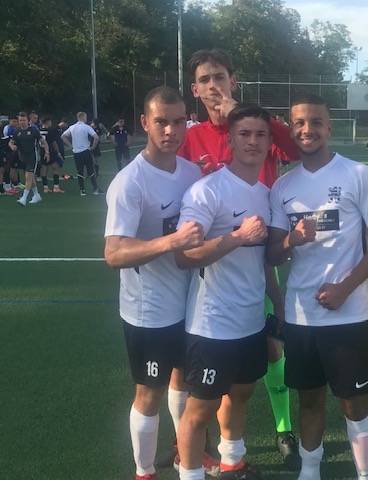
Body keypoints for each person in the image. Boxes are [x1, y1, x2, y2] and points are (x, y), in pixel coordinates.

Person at [178, 48, 301, 469]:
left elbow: (294, 148)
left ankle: (280, 430)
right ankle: (189, 449)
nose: (214, 85)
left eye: (220, 77)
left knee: (268, 354)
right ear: (195, 90)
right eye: (205, 79)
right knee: (191, 377)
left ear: (232, 81)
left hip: (258, 264)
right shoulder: (191, 138)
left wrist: (240, 111)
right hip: (207, 275)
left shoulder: (256, 126)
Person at [266, 93, 368, 480]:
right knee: (309, 400)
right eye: (299, 123)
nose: (308, 130)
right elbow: (272, 255)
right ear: (291, 130)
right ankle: (310, 472)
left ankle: (365, 475)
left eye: (316, 122)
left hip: (348, 314)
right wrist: (291, 240)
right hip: (302, 317)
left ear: (329, 127)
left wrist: (345, 287)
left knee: (355, 403)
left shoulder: (357, 174)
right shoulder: (282, 187)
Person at [104, 86, 211, 480]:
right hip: (148, 310)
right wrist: (171, 241)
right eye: (161, 122)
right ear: (145, 123)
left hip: (190, 303)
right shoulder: (130, 182)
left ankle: (184, 452)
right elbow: (114, 253)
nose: (171, 130)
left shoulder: (191, 173)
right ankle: (144, 470)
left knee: (182, 380)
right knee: (149, 392)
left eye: (179, 121)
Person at [175, 103, 279, 480]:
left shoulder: (268, 194)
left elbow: (264, 261)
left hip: (251, 321)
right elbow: (184, 257)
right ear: (230, 140)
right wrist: (237, 237)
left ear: (269, 142)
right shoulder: (207, 191)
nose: (253, 141)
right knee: (200, 410)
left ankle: (232, 462)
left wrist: (279, 308)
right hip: (212, 325)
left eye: (260, 134)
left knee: (241, 394)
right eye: (244, 134)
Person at [9, 111, 49, 206]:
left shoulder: (34, 131)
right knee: (30, 178)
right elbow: (11, 142)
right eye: (20, 120)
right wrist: (12, 146)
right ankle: (36, 195)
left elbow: (44, 142)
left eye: (24, 120)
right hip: (22, 157)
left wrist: (47, 152)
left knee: (28, 177)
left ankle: (24, 198)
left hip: (32, 156)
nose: (22, 122)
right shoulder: (17, 132)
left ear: (27, 120)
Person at [61, 112, 104, 196]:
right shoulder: (87, 127)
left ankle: (82, 190)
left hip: (76, 152)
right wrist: (93, 147)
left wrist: (71, 146)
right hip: (86, 151)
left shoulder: (72, 127)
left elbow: (63, 136)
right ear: (83, 117)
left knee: (79, 171)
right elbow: (96, 137)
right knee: (90, 170)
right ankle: (95, 189)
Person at [39, 116, 65, 193]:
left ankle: (45, 187)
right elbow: (54, 143)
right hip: (50, 151)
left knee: (44, 169)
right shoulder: (50, 131)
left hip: (42, 151)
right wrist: (58, 152)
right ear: (47, 122)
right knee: (56, 167)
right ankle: (56, 187)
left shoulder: (39, 131)